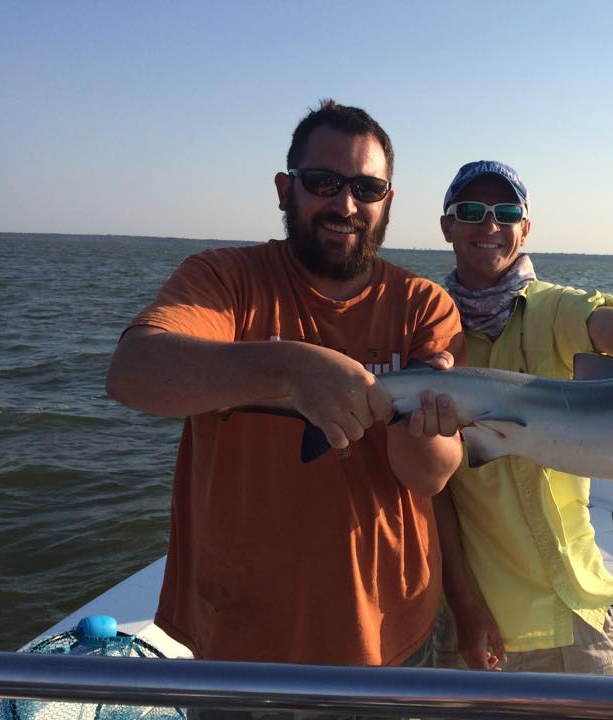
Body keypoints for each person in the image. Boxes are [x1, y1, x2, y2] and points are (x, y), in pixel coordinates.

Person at [106, 100, 464, 669]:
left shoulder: (424, 305)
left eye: (367, 189)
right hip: (242, 637)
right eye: (323, 182)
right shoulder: (223, 280)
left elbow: (429, 473)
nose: (345, 204)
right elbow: (134, 373)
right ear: (284, 189)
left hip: (392, 630)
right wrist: (290, 370)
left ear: (388, 202)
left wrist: (422, 428)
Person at [431, 160, 613, 675]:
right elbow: (432, 495)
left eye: (506, 212)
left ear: (525, 228)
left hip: (580, 610)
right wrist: (463, 606)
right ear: (447, 226)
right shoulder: (428, 327)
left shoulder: (554, 310)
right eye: (471, 211)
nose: (490, 225)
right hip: (481, 622)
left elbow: (612, 325)